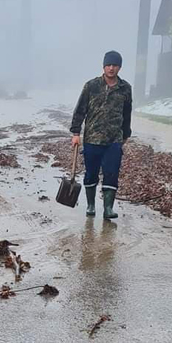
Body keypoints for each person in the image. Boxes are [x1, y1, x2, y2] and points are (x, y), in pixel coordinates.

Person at [70, 50, 132, 220]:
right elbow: (80, 110)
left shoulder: (125, 88)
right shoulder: (91, 86)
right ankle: (90, 205)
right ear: (103, 66)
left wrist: (126, 133)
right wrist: (76, 132)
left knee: (111, 173)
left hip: (114, 139)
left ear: (119, 67)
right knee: (91, 173)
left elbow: (127, 113)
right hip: (92, 138)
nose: (111, 68)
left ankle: (108, 209)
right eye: (108, 65)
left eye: (115, 65)